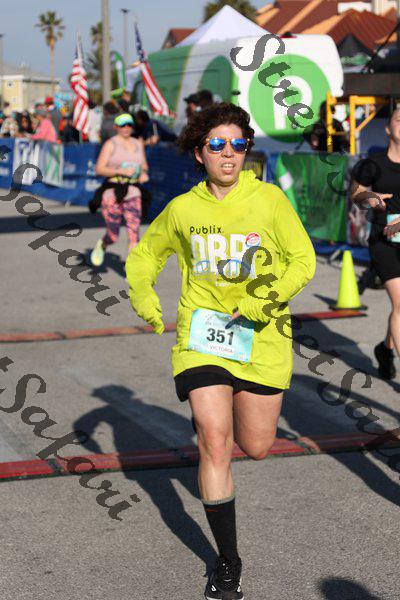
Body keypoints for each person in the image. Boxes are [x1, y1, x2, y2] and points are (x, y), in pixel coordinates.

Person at [125, 102, 316, 599]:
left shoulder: (269, 200)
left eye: (237, 144)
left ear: (246, 150)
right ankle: (228, 562)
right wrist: (143, 293)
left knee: (256, 446)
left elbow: (303, 259)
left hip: (262, 337)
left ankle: (219, 421)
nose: (228, 153)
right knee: (214, 439)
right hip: (203, 334)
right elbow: (146, 255)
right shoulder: (183, 209)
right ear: (199, 152)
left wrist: (264, 300)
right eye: (217, 144)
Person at [351, 108, 400, 380]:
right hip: (385, 241)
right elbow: (355, 194)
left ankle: (385, 348)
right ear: (388, 129)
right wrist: (369, 198)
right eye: (399, 119)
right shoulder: (374, 163)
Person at [90, 113, 150, 267]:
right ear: (116, 127)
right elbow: (99, 169)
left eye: (129, 125)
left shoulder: (138, 143)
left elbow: (144, 165)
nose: (126, 128)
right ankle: (103, 244)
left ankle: (131, 272)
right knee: (113, 234)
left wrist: (143, 173)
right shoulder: (111, 144)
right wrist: (120, 171)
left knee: (134, 234)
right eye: (123, 125)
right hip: (113, 192)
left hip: (133, 191)